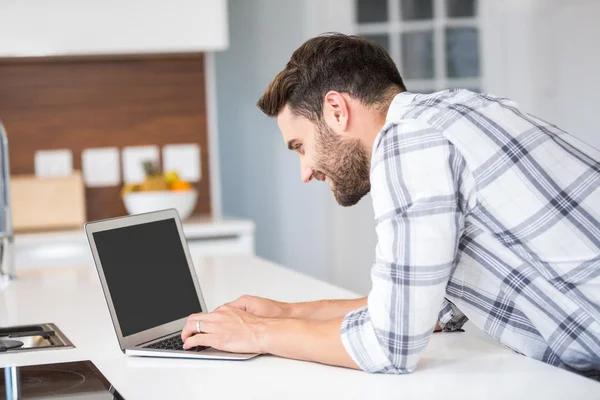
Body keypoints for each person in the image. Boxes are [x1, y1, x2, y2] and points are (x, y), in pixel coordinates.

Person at [181, 33, 600, 376]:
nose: (305, 171)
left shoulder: (409, 142)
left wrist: (255, 334)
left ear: (335, 110)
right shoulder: (457, 110)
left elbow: (389, 344)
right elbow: (424, 307)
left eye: (300, 146)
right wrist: (288, 313)